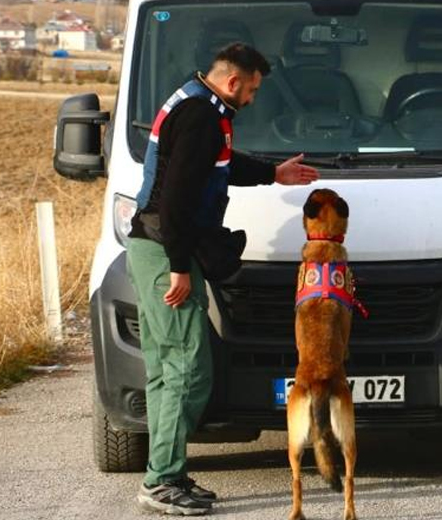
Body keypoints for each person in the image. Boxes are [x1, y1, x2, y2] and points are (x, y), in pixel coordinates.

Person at [127, 42, 319, 515]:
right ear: (234, 82)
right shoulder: (199, 117)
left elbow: (220, 167)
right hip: (164, 251)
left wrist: (273, 173)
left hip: (158, 247)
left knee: (166, 370)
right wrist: (177, 267)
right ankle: (161, 481)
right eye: (252, 90)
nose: (252, 99)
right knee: (187, 369)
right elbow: (174, 200)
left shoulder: (199, 105)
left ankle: (166, 474)